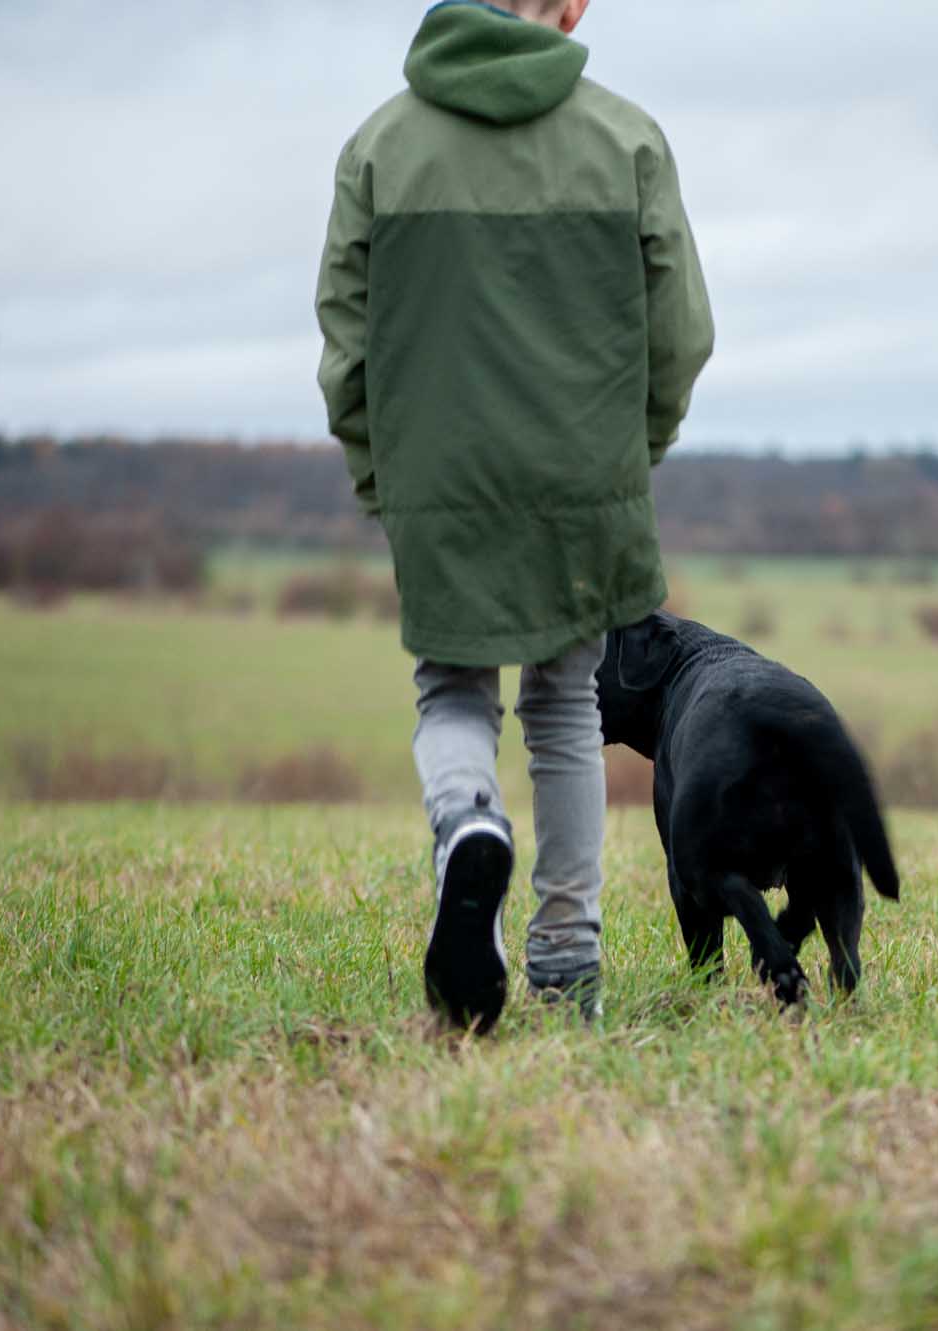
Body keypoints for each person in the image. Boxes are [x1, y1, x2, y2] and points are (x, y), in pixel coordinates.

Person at [315, 0, 714, 1032]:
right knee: (565, 703)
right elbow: (682, 334)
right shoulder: (624, 137)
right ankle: (566, 960)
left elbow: (347, 347)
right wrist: (633, 454)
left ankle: (465, 826)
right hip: (584, 474)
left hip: (436, 475)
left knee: (451, 686)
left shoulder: (379, 146)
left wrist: (380, 473)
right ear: (571, 6)